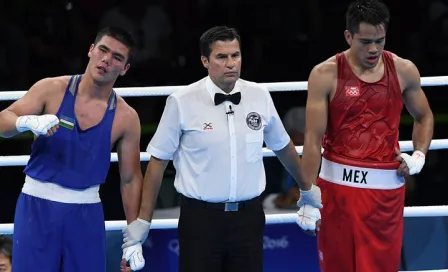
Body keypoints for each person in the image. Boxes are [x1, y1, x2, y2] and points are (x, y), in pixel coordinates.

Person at [120, 25, 320, 272]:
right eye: (221, 57)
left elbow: (282, 147)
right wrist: (143, 220)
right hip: (200, 220)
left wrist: (307, 189)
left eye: (235, 55)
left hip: (249, 218)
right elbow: (157, 163)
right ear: (205, 60)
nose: (231, 63)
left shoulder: (259, 95)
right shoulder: (182, 101)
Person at [299, 0, 434, 271]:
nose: (373, 49)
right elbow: (313, 140)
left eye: (380, 40)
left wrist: (419, 154)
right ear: (348, 36)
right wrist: (308, 196)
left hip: (384, 193)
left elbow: (425, 116)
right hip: (337, 191)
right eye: (365, 41)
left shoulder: (403, 70)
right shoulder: (325, 74)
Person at [0, 26, 145, 272]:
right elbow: (4, 120)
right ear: (91, 50)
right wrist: (24, 122)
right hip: (36, 206)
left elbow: (130, 179)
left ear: (125, 68)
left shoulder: (126, 117)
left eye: (117, 57)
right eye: (103, 50)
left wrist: (135, 237)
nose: (106, 60)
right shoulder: (51, 89)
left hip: (86, 212)